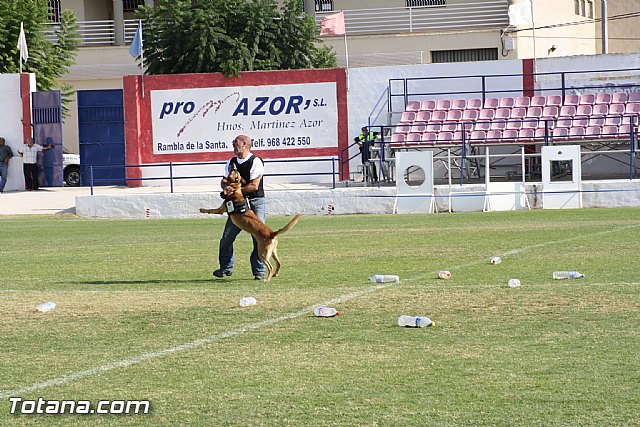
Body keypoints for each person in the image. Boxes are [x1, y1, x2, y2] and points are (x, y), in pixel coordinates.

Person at [213, 134, 266, 280]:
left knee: (258, 237)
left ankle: (259, 271)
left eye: (235, 142)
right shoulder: (231, 162)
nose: (232, 143)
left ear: (244, 144)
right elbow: (224, 180)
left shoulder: (256, 161)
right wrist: (225, 188)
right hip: (237, 205)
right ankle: (225, 268)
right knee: (227, 237)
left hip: (255, 202)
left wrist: (236, 191)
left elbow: (254, 185)